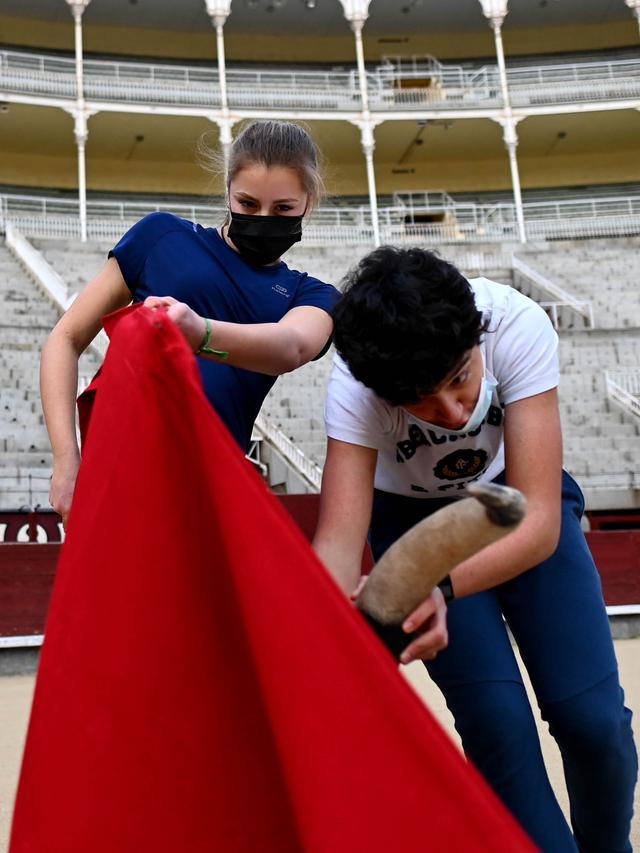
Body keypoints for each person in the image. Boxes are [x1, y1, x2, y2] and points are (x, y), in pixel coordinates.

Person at [312, 246, 637, 853]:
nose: (455, 411)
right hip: (414, 526)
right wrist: (332, 637)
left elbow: (538, 523)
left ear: (476, 336)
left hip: (516, 497)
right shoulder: (355, 387)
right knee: (496, 727)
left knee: (593, 722)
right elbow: (336, 544)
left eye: (460, 378)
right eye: (422, 401)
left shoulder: (513, 321)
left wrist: (437, 588)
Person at [41, 120, 340, 527]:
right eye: (248, 204)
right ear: (228, 191)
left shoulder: (313, 294)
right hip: (117, 476)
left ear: (310, 201)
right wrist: (65, 461)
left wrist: (201, 333)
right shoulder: (161, 237)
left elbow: (291, 347)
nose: (264, 218)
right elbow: (66, 338)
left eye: (283, 208)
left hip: (211, 498)